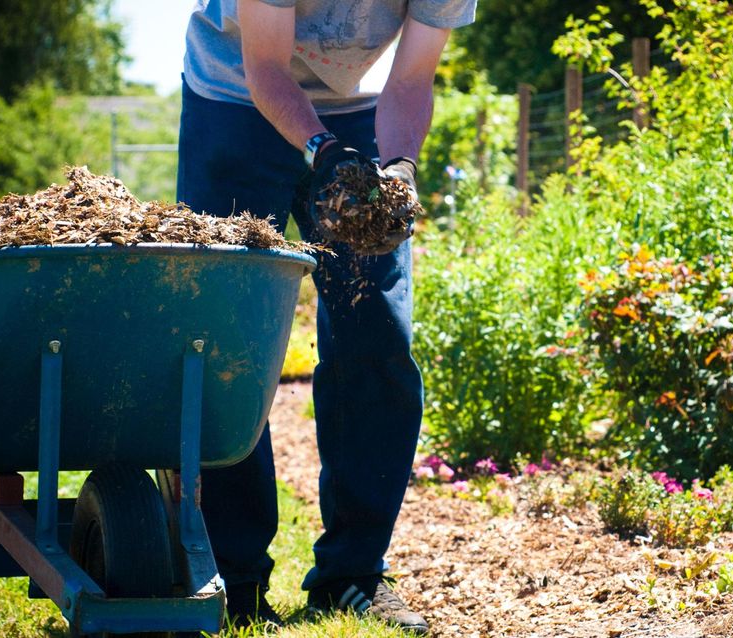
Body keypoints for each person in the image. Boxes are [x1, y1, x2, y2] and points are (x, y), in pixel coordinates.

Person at [177, 0, 477, 633]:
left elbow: (411, 80)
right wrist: (322, 149)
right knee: (229, 335)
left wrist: (397, 167)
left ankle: (352, 573)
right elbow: (265, 66)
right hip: (233, 97)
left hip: (358, 108)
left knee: (379, 333)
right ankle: (232, 575)